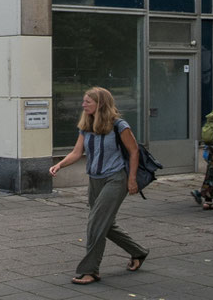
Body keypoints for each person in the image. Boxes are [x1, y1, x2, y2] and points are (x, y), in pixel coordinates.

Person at [49, 86, 149, 284]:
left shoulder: (119, 125)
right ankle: (138, 252)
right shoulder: (86, 126)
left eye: (88, 101)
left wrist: (132, 180)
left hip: (115, 179)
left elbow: (134, 151)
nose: (83, 104)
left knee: (95, 223)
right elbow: (77, 152)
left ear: (100, 104)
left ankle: (90, 270)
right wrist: (60, 164)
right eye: (84, 101)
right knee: (105, 224)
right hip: (95, 180)